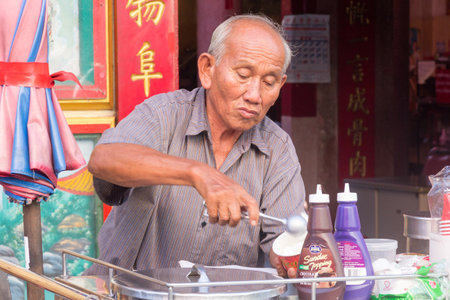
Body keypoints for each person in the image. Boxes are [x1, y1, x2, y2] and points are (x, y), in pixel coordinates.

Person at [84, 13, 306, 278]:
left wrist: (294, 257)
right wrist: (199, 174)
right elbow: (104, 159)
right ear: (207, 69)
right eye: (243, 75)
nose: (254, 95)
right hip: (128, 293)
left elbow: (284, 239)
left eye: (269, 82)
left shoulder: (277, 148)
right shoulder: (164, 115)